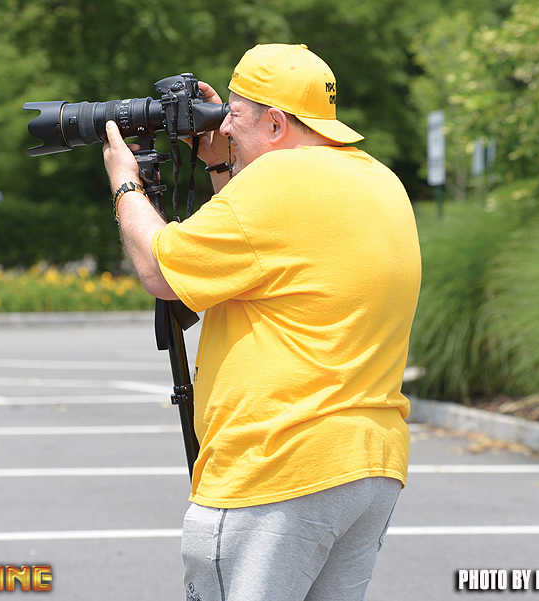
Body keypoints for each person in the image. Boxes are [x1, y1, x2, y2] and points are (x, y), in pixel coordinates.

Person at [102, 43, 421, 601]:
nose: (223, 126)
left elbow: (160, 269)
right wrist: (221, 165)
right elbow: (253, 254)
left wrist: (126, 183)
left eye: (234, 115)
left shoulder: (278, 182)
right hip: (366, 464)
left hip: (279, 467)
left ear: (275, 124)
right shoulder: (377, 179)